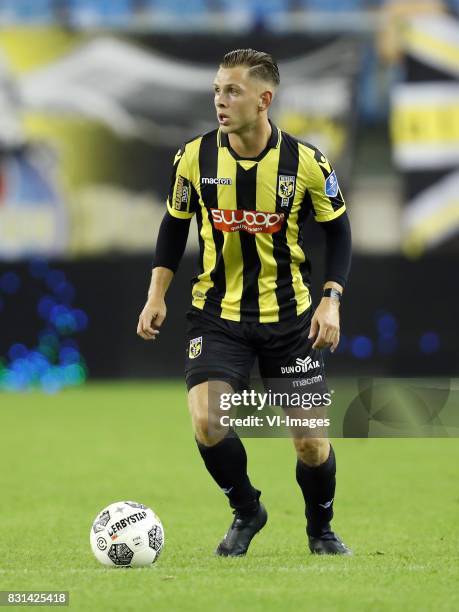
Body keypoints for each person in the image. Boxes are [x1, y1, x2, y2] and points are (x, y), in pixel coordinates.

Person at [137, 49, 352, 557]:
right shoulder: (194, 157)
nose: (220, 100)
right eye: (217, 89)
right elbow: (173, 226)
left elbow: (339, 235)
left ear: (264, 99)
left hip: (290, 319)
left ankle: (320, 530)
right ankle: (247, 509)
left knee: (311, 443)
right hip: (217, 315)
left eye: (232, 90)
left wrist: (331, 301)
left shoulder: (306, 162)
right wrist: (156, 295)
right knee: (209, 423)